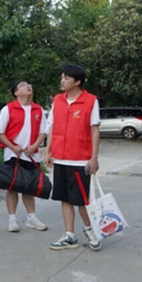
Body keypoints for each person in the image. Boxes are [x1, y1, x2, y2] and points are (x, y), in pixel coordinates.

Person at [43, 65, 102, 251]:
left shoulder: (91, 101)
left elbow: (94, 129)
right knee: (65, 199)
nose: (62, 81)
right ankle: (69, 235)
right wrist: (48, 151)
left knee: (81, 200)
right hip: (60, 158)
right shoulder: (58, 100)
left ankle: (89, 230)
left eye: (66, 78)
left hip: (80, 159)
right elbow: (51, 126)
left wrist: (94, 157)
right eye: (62, 77)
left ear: (77, 82)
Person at [0, 80, 49, 233]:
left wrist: (34, 146)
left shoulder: (38, 109)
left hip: (32, 155)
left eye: (29, 84)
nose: (28, 86)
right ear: (17, 93)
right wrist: (13, 147)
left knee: (29, 187)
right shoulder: (8, 109)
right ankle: (12, 219)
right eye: (23, 85)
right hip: (13, 154)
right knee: (12, 187)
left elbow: (43, 131)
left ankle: (32, 218)